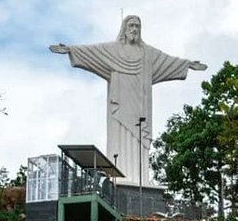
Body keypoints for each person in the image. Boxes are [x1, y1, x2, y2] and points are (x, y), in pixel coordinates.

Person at [50, 15, 207, 184]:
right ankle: (118, 178)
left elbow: (167, 61)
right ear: (124, 29)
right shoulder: (113, 50)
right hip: (120, 105)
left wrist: (187, 65)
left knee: (139, 140)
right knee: (119, 137)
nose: (134, 29)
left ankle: (140, 179)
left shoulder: (148, 54)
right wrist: (71, 50)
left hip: (140, 105)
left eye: (137, 26)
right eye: (131, 25)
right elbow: (93, 51)